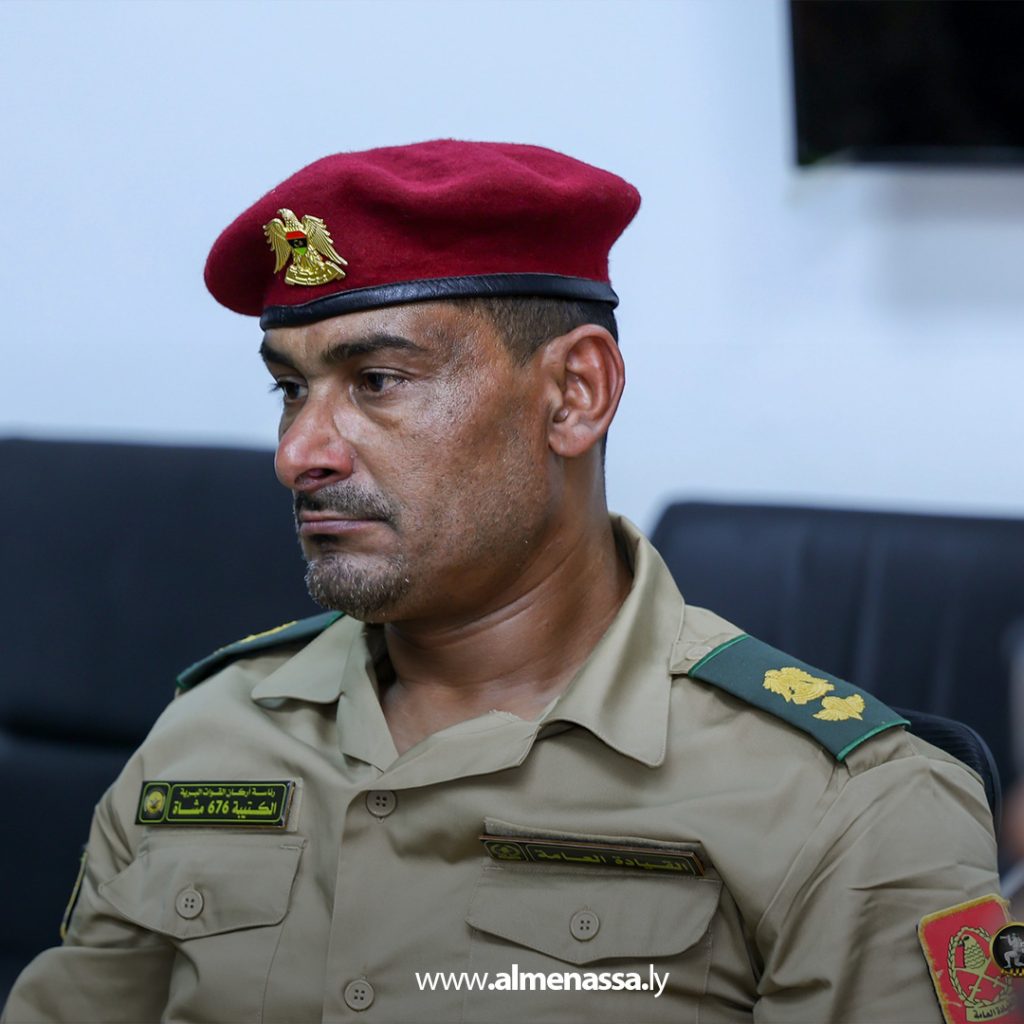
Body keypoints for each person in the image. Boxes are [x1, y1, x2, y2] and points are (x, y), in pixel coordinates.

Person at [2, 140, 1014, 1024]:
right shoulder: (208, 732)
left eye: (378, 382)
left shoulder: (846, 803)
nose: (299, 450)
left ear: (574, 394)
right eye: (290, 388)